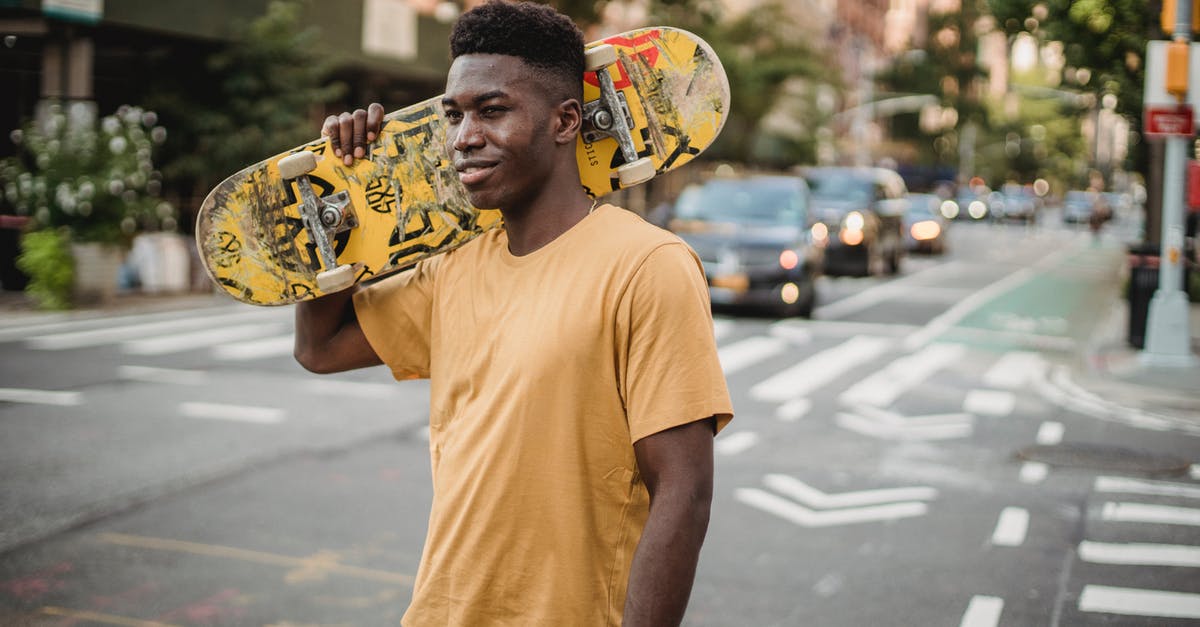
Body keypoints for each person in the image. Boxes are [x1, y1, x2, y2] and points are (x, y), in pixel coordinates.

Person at [294, 1, 733, 624]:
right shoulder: (453, 268)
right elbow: (319, 348)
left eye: (492, 110)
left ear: (565, 121)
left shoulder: (647, 264)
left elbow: (684, 492)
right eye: (454, 115)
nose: (464, 137)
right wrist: (346, 196)